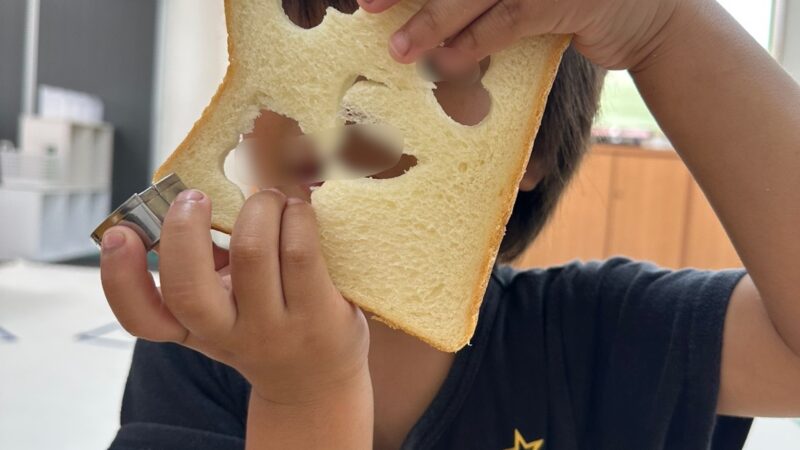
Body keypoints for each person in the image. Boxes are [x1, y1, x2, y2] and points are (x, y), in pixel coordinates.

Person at [98, 0, 800, 448]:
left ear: (531, 149)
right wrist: (304, 395)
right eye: (314, 45)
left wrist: (662, 26)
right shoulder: (201, 350)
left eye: (436, 60)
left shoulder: (595, 337)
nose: (352, 100)